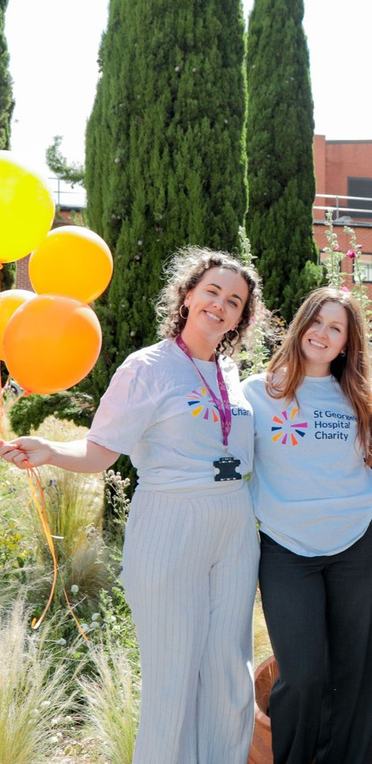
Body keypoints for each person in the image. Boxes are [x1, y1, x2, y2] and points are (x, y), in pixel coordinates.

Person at [0, 247, 262, 764]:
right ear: (187, 295)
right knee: (173, 676)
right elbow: (100, 451)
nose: (221, 305)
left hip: (234, 524)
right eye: (212, 291)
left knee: (232, 676)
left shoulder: (234, 373)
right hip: (171, 520)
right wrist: (50, 450)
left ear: (241, 316)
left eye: (234, 300)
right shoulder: (147, 367)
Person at [243, 286, 372, 764]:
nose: (322, 334)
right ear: (300, 324)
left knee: (355, 674)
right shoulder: (255, 391)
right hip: (286, 549)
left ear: (347, 342)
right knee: (303, 673)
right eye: (316, 321)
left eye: (336, 328)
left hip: (357, 546)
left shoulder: (362, 397)